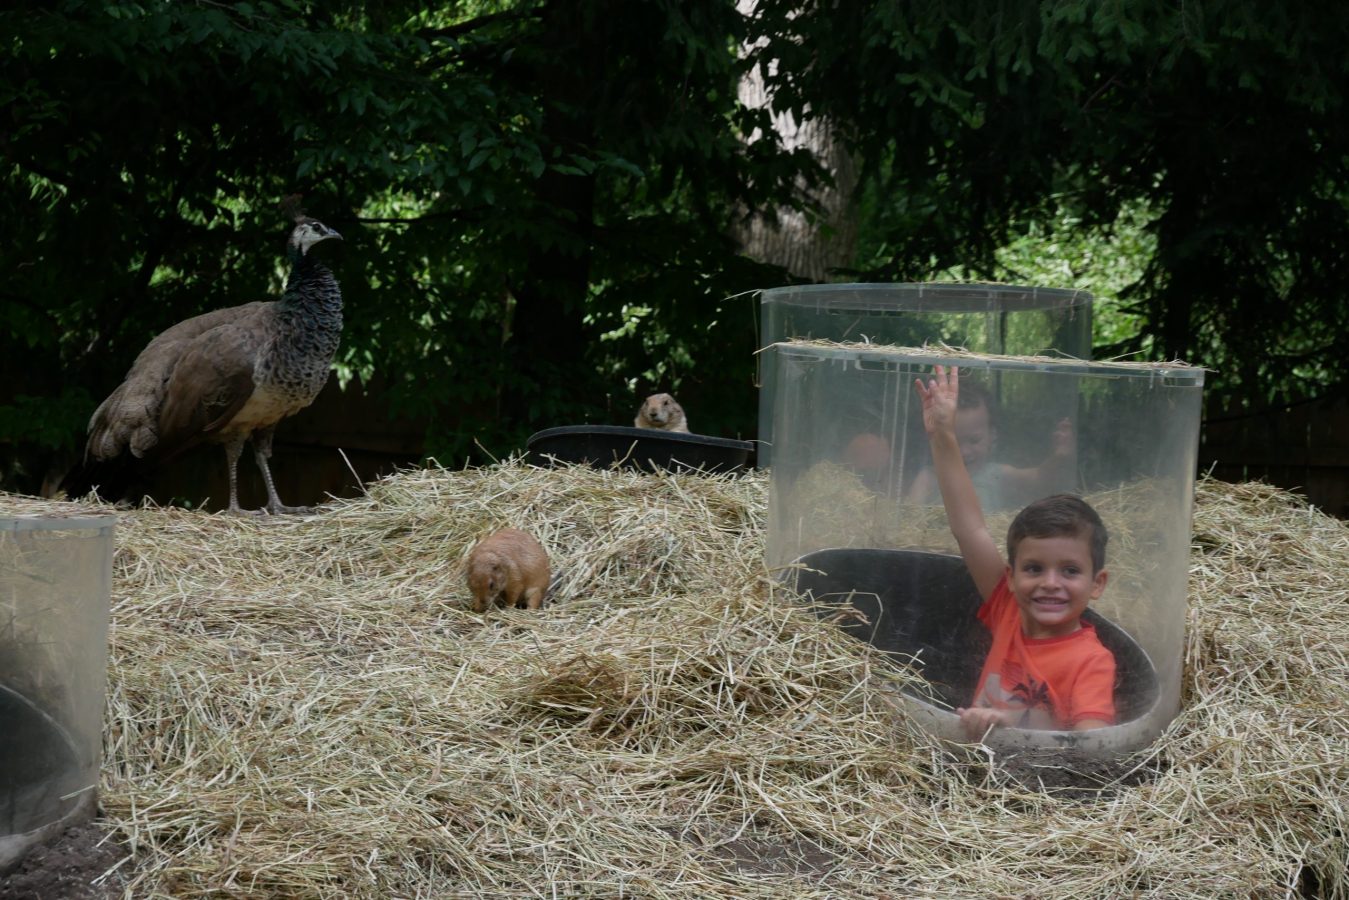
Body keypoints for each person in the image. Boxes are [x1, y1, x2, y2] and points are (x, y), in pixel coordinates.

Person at [914, 365, 1116, 737]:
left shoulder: (1091, 661)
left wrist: (1015, 728)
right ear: (1011, 576)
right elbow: (969, 527)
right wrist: (942, 434)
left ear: (1097, 583)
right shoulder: (1009, 608)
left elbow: (1091, 748)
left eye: (1070, 571)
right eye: (1034, 568)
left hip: (1033, 788)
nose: (1050, 583)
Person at [904, 375, 1075, 511]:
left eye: (974, 440)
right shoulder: (930, 477)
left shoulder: (997, 475)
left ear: (992, 436)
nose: (964, 452)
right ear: (937, 439)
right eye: (954, 441)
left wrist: (1059, 456)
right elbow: (909, 518)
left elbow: (1039, 479)